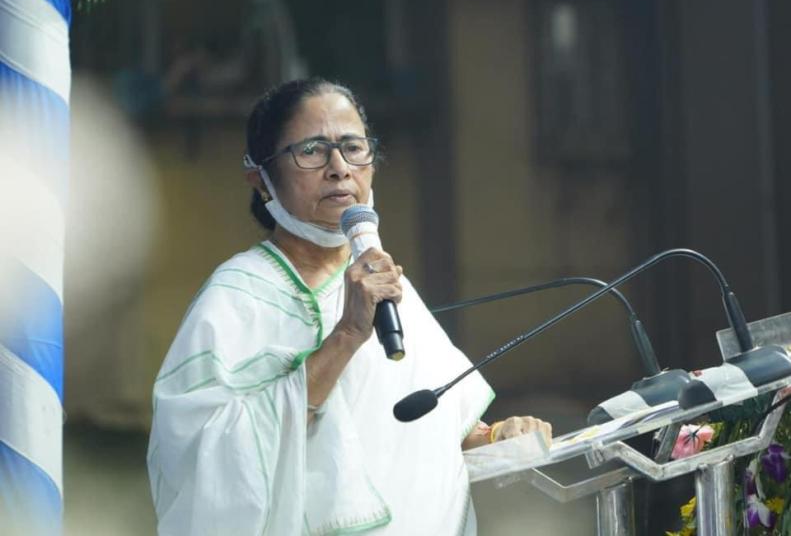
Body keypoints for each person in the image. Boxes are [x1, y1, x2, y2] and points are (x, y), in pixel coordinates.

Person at [147, 78, 552, 535]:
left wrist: (499, 436)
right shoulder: (236, 298)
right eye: (312, 151)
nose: (339, 168)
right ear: (261, 179)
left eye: (353, 148)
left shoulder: (389, 288)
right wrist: (346, 336)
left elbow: (435, 437)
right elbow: (208, 464)